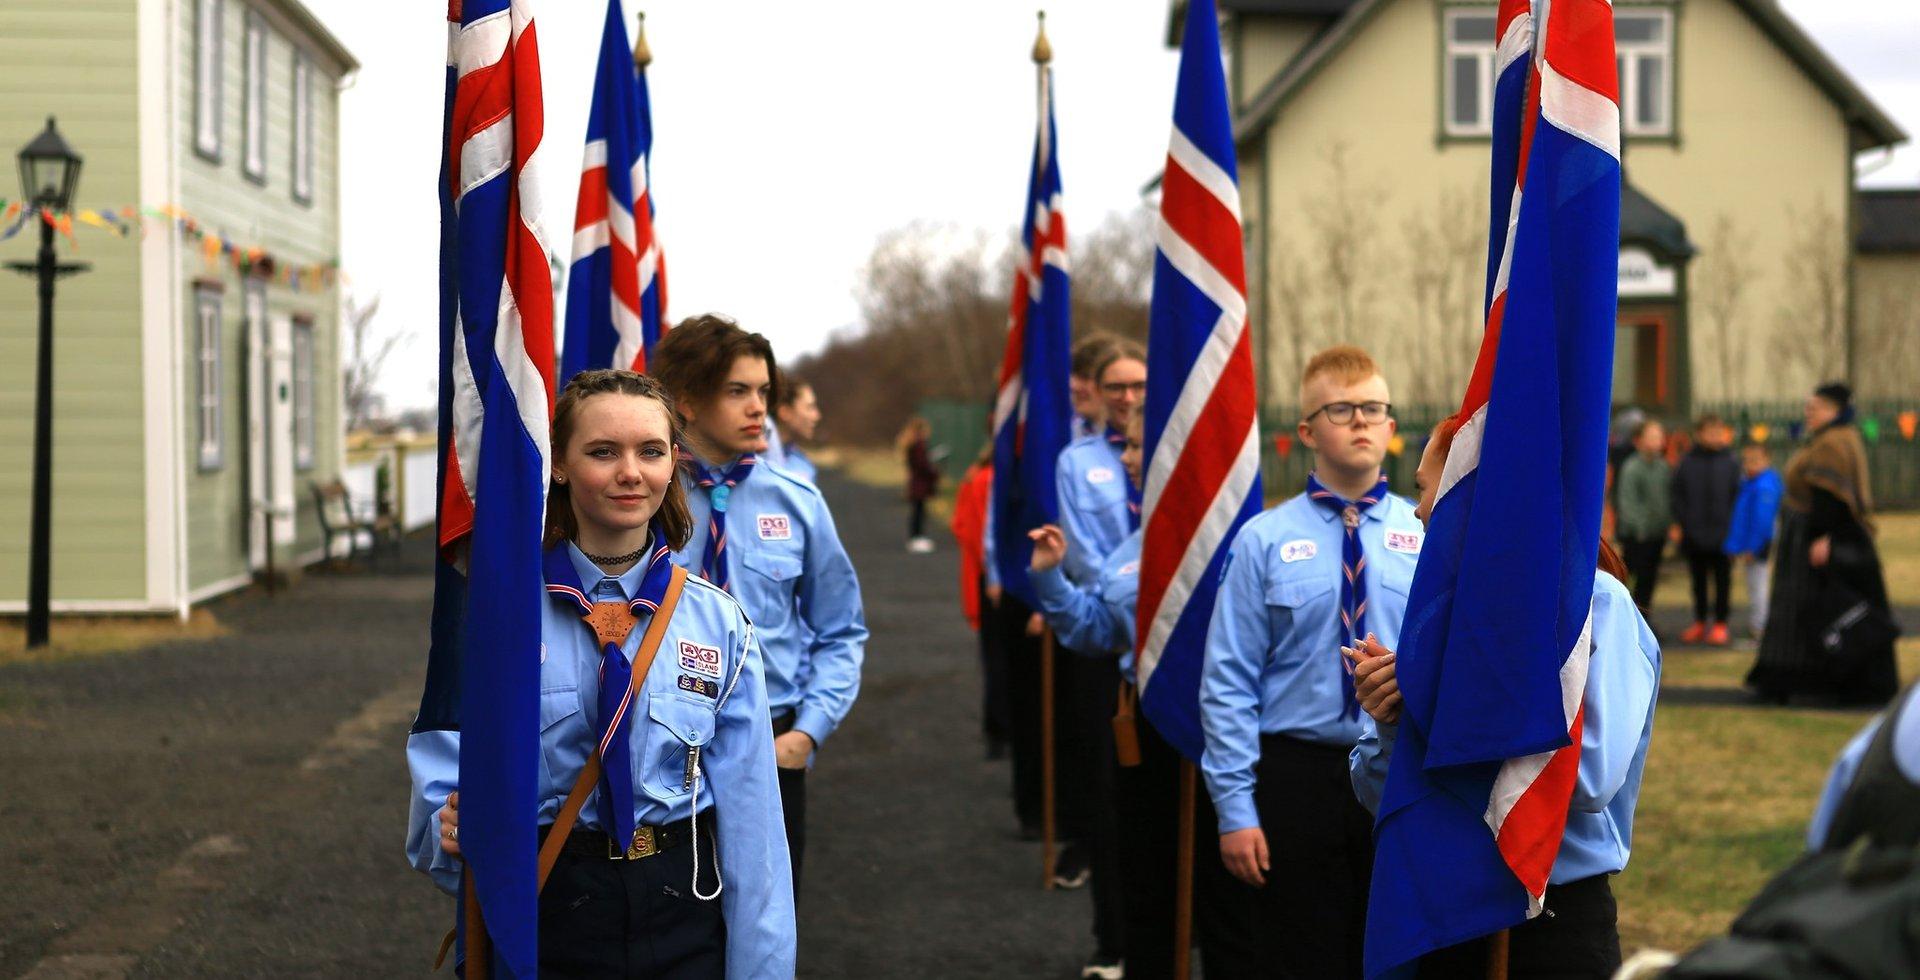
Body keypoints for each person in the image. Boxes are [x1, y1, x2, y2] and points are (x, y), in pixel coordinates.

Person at [406, 369, 795, 977]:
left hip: (684, 911)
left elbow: (755, 827)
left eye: (651, 451)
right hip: (549, 911)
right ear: (560, 464)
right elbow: (441, 779)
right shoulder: (502, 618)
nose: (631, 473)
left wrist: (762, 969)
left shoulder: (720, 624)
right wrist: (447, 827)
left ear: (673, 462)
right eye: (603, 452)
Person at [1347, 413, 1662, 980]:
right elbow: (1376, 791)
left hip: (1555, 917)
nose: (1417, 510)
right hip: (1452, 908)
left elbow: (1590, 779)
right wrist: (1392, 719)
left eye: (1426, 487)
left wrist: (1453, 723)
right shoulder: (1443, 615)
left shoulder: (1597, 605)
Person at [1199, 345, 1422, 979]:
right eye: (1341, 409)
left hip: (1397, 767)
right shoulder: (1262, 540)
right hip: (1296, 776)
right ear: (1306, 431)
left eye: (1374, 408)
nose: (1361, 421)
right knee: (1299, 953)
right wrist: (1236, 809)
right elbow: (1228, 681)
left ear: (1391, 425)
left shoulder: (1425, 534)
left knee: (1395, 953)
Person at [649, 314, 869, 893]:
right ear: (687, 401)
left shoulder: (798, 501)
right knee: (674, 916)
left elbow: (841, 629)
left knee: (769, 911)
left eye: (764, 391)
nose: (758, 408)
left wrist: (808, 733)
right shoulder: (645, 499)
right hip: (662, 752)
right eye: (737, 391)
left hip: (774, 747)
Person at [1029, 412, 1240, 980]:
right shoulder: (1129, 549)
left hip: (1219, 727)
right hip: (1144, 724)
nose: (1124, 458)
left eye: (1136, 447)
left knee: (1224, 890)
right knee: (1145, 873)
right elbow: (1096, 630)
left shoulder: (1230, 540)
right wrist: (1050, 578)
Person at [1049, 337, 1150, 979]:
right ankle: (1113, 938)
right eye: (1115, 386)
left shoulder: (1171, 448)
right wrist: (1130, 590)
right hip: (1105, 633)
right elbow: (1083, 556)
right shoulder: (1077, 461)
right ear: (1097, 390)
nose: (1127, 397)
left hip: (1162, 640)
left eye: (1139, 385)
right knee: (1107, 793)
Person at [1747, 382, 1900, 707]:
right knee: (1825, 608)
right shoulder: (1835, 438)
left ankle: (1792, 679)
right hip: (1818, 535)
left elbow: (1830, 497)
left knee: (1812, 607)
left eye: (1814, 407)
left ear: (1834, 410)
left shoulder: (1832, 443)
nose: (1808, 413)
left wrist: (1825, 537)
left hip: (1816, 537)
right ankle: (1815, 680)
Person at [951, 445, 1010, 759]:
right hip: (994, 582)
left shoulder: (976, 478)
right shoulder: (990, 480)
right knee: (1001, 659)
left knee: (993, 658)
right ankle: (1000, 730)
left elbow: (961, 526)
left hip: (983, 577)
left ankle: (996, 730)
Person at [1670, 415, 1741, 645]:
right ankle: (1700, 622)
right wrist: (1683, 523)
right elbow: (1677, 495)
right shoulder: (1687, 462)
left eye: (1719, 431)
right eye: (1710, 432)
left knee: (1722, 581)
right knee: (1698, 581)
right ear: (1699, 434)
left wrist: (1734, 530)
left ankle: (1721, 624)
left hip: (1724, 535)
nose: (1715, 436)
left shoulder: (1731, 462)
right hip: (1694, 533)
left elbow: (1737, 497)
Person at [1724, 442, 1783, 641]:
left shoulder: (1764, 486)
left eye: (1755, 461)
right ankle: (1758, 624)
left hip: (1758, 547)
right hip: (1751, 545)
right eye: (1747, 461)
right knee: (1754, 585)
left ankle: (1760, 627)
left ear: (1767, 460)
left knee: (1758, 586)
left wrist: (1752, 548)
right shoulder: (1750, 483)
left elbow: (1762, 523)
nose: (1750, 465)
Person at [1614, 419, 1672, 613]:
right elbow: (1628, 502)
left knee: (1649, 580)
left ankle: (1645, 619)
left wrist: (1667, 526)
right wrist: (1641, 530)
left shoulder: (1663, 467)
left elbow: (1667, 499)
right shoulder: (1631, 468)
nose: (1657, 441)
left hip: (1657, 535)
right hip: (1636, 537)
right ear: (1638, 440)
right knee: (1632, 578)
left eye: (1659, 437)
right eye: (1652, 437)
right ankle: (1628, 618)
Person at [900, 416, 941, 553]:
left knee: (917, 510)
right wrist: (934, 472)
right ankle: (917, 538)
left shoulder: (911, 444)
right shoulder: (918, 445)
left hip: (916, 481)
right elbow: (923, 464)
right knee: (919, 511)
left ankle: (916, 537)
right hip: (920, 482)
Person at [771, 373, 821, 483]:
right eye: (810, 407)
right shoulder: (750, 462)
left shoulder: (806, 467)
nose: (817, 416)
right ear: (785, 412)